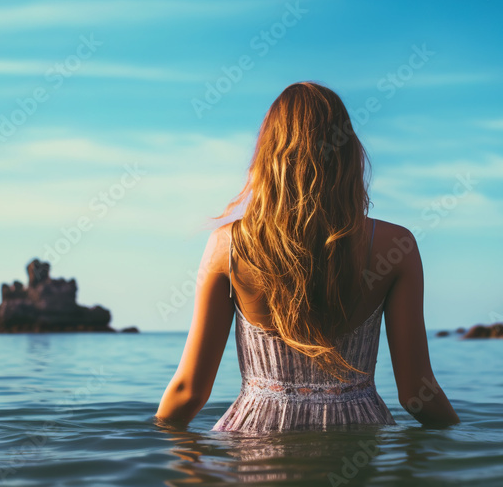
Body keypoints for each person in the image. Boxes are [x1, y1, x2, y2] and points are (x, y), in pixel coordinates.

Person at [155, 82, 459, 432]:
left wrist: (147, 459)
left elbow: (188, 390)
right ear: (348, 152)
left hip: (254, 439)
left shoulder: (230, 245)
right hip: (356, 436)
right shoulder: (395, 245)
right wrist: (471, 450)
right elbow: (417, 394)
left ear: (268, 156)